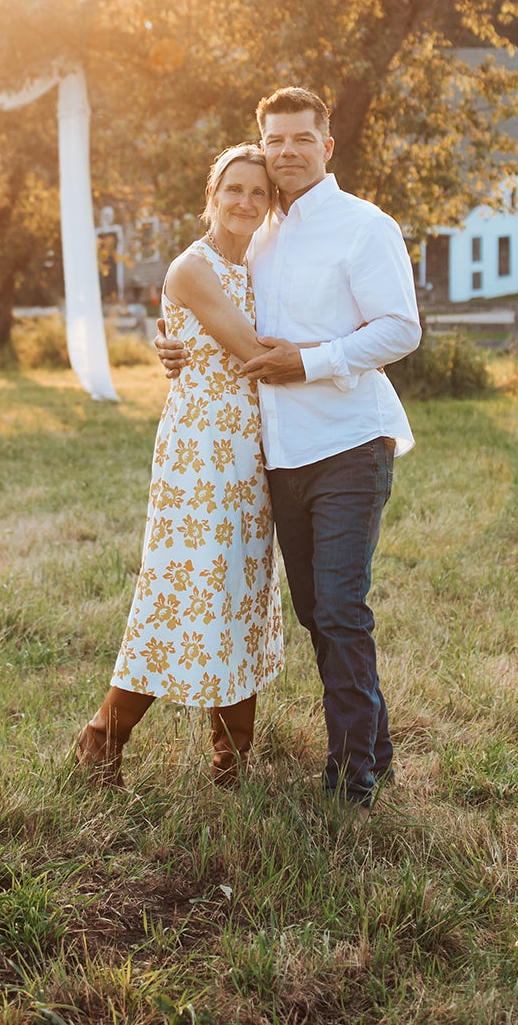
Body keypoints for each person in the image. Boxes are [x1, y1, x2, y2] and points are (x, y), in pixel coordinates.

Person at [156, 87, 421, 805]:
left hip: (347, 441)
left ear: (326, 146)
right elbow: (215, 298)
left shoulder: (366, 226)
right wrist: (172, 343)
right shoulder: (261, 231)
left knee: (339, 609)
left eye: (302, 138)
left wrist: (311, 361)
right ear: (263, 144)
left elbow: (400, 328)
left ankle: (351, 779)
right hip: (276, 456)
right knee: (317, 612)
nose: (288, 152)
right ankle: (379, 747)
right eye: (276, 140)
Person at [76, 143, 288, 785]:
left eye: (259, 192)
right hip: (203, 450)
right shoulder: (192, 268)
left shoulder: (261, 261)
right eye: (234, 189)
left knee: (240, 594)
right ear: (213, 196)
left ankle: (231, 760)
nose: (246, 202)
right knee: (182, 594)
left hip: (254, 446)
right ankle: (101, 740)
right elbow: (252, 349)